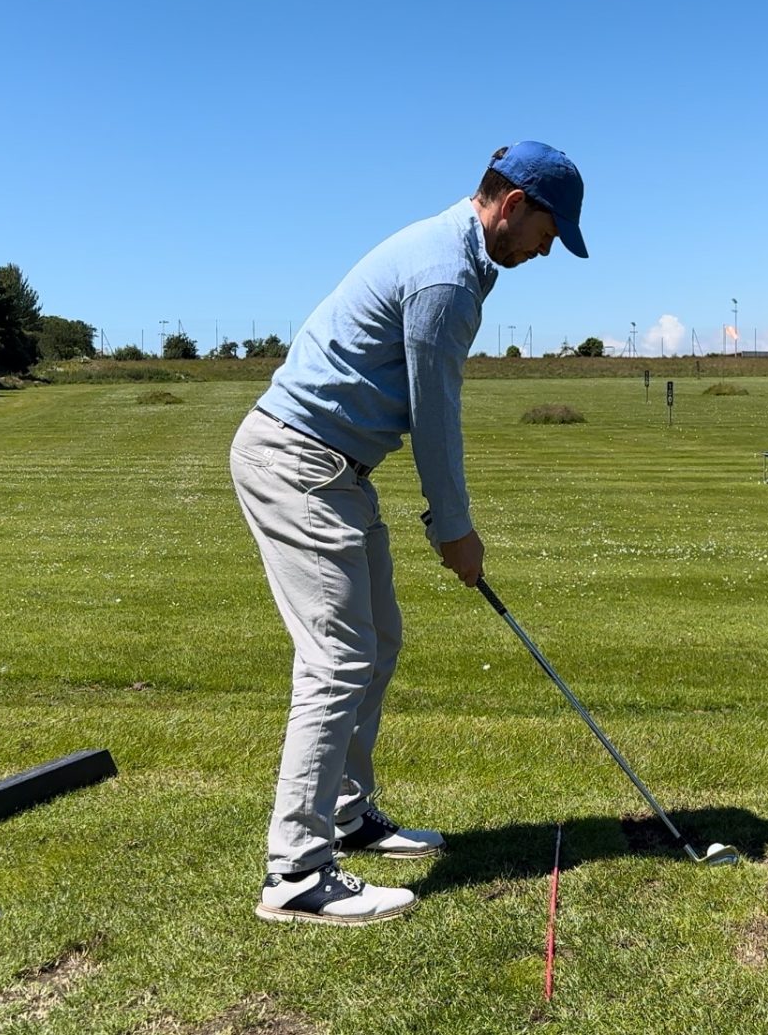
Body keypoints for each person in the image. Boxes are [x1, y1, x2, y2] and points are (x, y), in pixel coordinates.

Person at [229, 141, 588, 925]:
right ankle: (296, 870)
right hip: (299, 461)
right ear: (514, 204)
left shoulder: (457, 259)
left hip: (336, 468)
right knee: (336, 656)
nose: (546, 251)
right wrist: (454, 527)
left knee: (379, 637)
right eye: (548, 233)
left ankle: (347, 814)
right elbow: (435, 413)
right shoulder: (446, 276)